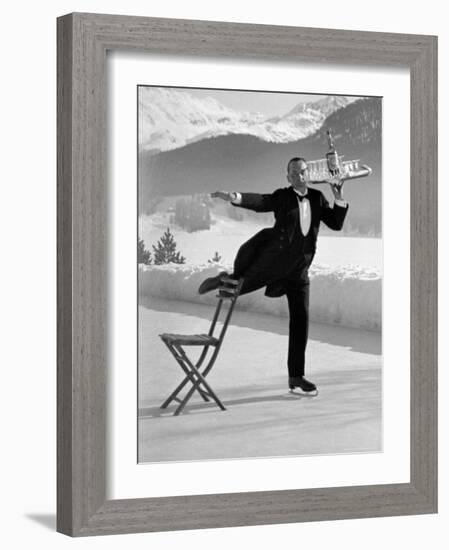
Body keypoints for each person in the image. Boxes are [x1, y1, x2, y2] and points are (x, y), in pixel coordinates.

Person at [198, 157, 350, 393]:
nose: (298, 176)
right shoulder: (283, 196)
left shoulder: (318, 198)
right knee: (239, 286)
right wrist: (235, 197)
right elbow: (261, 201)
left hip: (300, 270)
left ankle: (296, 376)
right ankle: (223, 278)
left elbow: (336, 224)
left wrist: (338, 197)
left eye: (302, 172)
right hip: (275, 262)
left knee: (301, 322)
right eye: (293, 173)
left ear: (307, 174)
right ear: (287, 177)